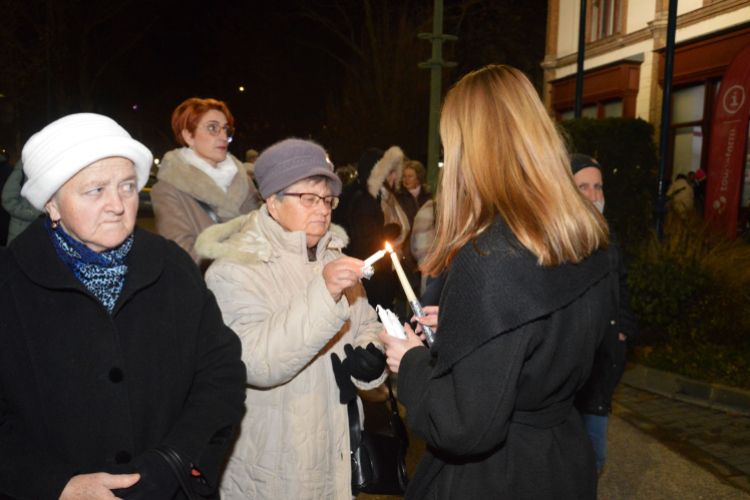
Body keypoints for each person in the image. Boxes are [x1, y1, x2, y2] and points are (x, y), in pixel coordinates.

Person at [378, 65, 616, 500]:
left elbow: (464, 424)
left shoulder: (490, 257)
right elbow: (535, 337)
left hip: (498, 477)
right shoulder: (589, 235)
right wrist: (461, 326)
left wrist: (411, 361)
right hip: (562, 460)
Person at [0, 113, 247, 500]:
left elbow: (221, 376)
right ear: (51, 203)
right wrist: (57, 485)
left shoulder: (173, 267)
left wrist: (175, 461)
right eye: (95, 190)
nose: (117, 205)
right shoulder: (9, 286)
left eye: (128, 186)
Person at [194, 138, 387, 500]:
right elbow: (256, 361)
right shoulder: (235, 270)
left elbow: (367, 326)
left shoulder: (334, 256)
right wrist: (325, 291)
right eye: (308, 199)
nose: (323, 210)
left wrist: (370, 360)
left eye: (328, 200)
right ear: (273, 202)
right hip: (274, 465)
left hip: (336, 453)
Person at [570, 154, 639, 473]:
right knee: (564, 464)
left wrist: (621, 329)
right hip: (566, 374)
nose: (594, 196)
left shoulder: (607, 237)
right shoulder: (555, 238)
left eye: (598, 186)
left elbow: (621, 284)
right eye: (583, 186)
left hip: (601, 370)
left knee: (594, 458)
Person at [150, 98, 260, 267]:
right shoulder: (168, 190)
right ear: (188, 136)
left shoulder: (243, 181)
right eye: (212, 128)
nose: (224, 137)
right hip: (211, 288)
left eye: (226, 129)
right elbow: (184, 257)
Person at [333, 147, 406, 310]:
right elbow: (366, 242)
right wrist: (392, 230)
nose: (393, 177)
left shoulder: (365, 195)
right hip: (370, 276)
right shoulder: (363, 199)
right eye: (389, 172)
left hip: (371, 274)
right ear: (377, 172)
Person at [2, 159, 43, 245]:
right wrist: (30, 214)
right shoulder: (23, 167)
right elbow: (7, 199)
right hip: (20, 229)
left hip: (40, 231)